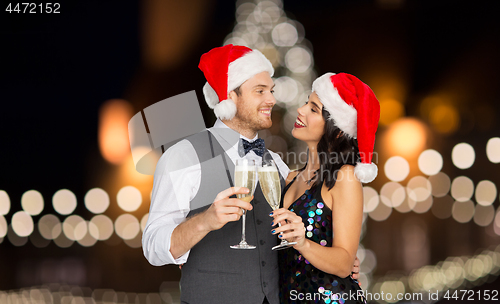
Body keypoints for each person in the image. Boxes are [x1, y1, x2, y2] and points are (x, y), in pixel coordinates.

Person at [142, 44, 289, 304]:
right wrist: (204, 221)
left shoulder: (276, 162)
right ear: (230, 95)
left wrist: (339, 258)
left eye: (271, 91)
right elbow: (153, 246)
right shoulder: (183, 157)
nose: (272, 100)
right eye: (260, 91)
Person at [271, 72, 380, 303]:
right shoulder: (290, 177)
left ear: (337, 129)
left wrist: (302, 243)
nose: (300, 110)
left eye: (313, 109)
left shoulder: (345, 176)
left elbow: (343, 264)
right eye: (305, 103)